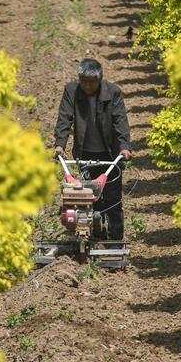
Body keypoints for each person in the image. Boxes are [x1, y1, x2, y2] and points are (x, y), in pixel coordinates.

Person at [53, 59, 132, 240]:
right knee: (88, 196)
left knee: (112, 197)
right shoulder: (71, 90)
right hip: (85, 153)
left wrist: (124, 147)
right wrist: (60, 144)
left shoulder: (112, 92)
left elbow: (120, 121)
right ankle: (96, 233)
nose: (87, 85)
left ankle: (115, 239)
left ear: (100, 79)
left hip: (109, 154)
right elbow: (64, 118)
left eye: (92, 81)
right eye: (84, 81)